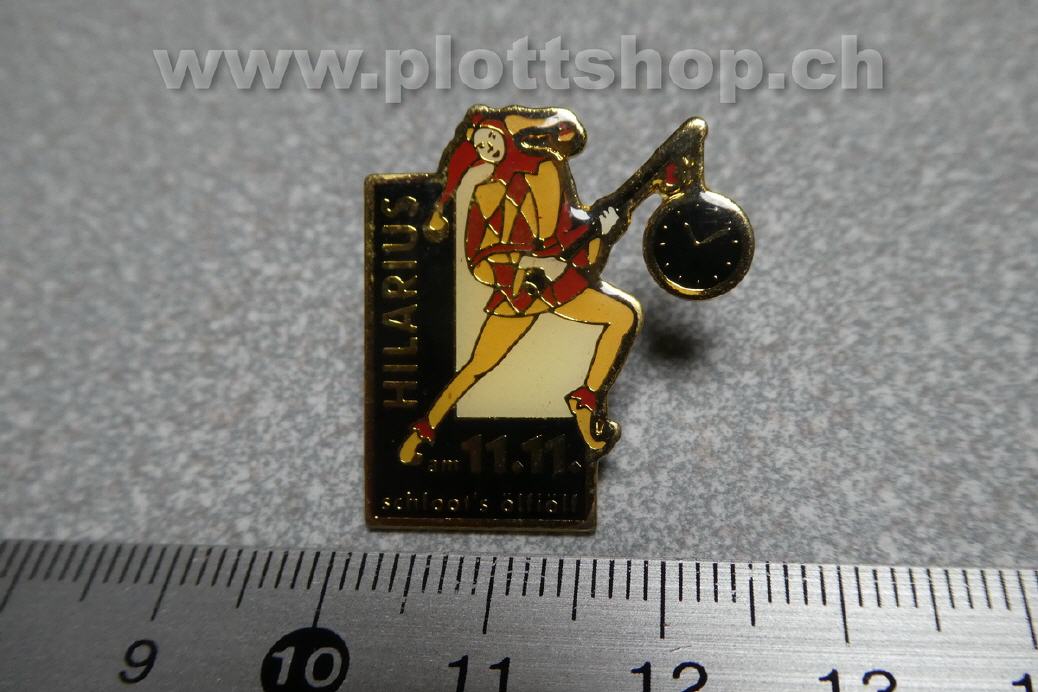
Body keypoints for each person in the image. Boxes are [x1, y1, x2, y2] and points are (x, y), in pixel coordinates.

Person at [399, 106, 641, 464]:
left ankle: (586, 401)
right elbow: (479, 262)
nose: (487, 148)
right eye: (479, 146)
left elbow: (578, 251)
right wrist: (523, 271)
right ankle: (423, 430)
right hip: (519, 296)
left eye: (491, 138)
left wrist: (602, 232)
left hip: (560, 284)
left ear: (505, 135)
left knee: (622, 317)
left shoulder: (549, 169)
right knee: (477, 367)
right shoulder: (486, 195)